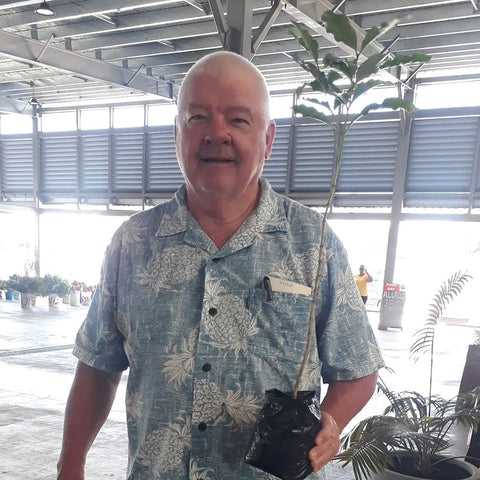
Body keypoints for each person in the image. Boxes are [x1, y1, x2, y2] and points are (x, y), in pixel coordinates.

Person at [57, 51, 384, 480]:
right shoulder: (132, 244)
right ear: (177, 133)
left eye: (238, 120)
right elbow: (99, 368)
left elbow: (358, 367)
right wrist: (71, 464)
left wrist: (332, 420)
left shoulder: (313, 243)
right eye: (198, 118)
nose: (217, 134)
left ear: (267, 139)